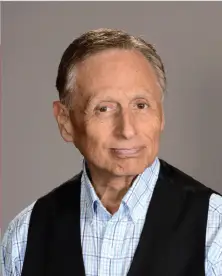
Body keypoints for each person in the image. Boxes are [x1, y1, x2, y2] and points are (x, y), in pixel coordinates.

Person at [1, 28, 222, 276]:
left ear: (161, 115)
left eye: (141, 105)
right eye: (104, 108)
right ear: (65, 121)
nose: (127, 130)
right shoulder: (25, 235)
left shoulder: (215, 228)